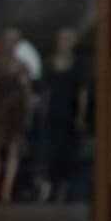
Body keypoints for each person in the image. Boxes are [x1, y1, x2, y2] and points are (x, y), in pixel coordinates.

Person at [0, 30, 34, 203]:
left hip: (15, 112)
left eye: (13, 41)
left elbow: (27, 93)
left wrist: (27, 114)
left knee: (13, 149)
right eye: (7, 40)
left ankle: (6, 190)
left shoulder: (22, 66)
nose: (9, 44)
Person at [37, 27, 88, 203]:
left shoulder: (78, 65)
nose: (63, 43)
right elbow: (45, 90)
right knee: (49, 151)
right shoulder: (50, 62)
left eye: (67, 39)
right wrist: (42, 110)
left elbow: (82, 92)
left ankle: (63, 190)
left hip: (69, 114)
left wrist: (80, 116)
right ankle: (48, 186)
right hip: (53, 112)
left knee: (67, 153)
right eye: (61, 39)